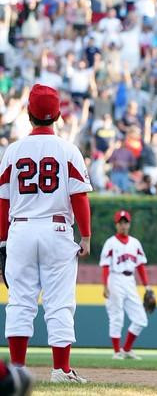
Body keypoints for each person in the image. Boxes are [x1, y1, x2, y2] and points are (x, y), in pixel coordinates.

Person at [0, 84, 92, 383]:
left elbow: (3, 202)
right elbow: (79, 197)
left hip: (21, 229)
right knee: (60, 301)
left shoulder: (13, 151)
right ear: (58, 116)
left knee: (20, 301)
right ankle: (61, 370)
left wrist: (2, 242)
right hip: (56, 229)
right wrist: (87, 236)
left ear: (29, 114)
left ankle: (16, 368)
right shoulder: (68, 150)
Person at [99, 210, 152, 360]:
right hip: (114, 279)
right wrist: (105, 286)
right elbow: (105, 266)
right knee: (117, 317)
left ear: (129, 224)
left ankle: (126, 349)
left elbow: (140, 266)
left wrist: (147, 286)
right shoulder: (110, 242)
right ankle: (116, 352)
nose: (123, 225)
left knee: (141, 319)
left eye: (126, 222)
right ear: (116, 225)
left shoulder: (135, 243)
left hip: (130, 281)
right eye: (120, 222)